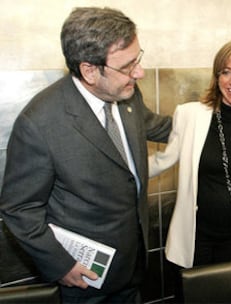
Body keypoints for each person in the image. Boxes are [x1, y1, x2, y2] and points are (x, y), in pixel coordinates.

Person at [0, 7, 171, 304]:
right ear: (90, 70)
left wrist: (213, 116)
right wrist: (60, 264)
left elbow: (154, 126)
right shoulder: (39, 123)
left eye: (138, 59)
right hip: (83, 284)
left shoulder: (127, 93)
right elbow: (19, 208)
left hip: (133, 267)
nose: (139, 73)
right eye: (128, 66)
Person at [149, 38, 231, 269]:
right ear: (217, 78)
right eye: (225, 72)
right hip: (197, 235)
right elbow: (163, 160)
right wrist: (120, 173)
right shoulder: (190, 115)